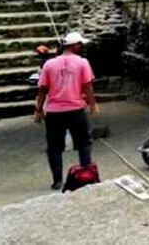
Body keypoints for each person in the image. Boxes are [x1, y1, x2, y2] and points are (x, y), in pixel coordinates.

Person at [35, 31, 98, 191]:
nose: (82, 47)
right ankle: (85, 174)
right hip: (76, 109)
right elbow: (87, 86)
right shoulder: (83, 62)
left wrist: (39, 110)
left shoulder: (49, 64)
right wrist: (92, 103)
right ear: (75, 45)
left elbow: (42, 89)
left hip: (54, 112)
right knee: (84, 142)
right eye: (80, 44)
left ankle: (57, 180)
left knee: (54, 147)